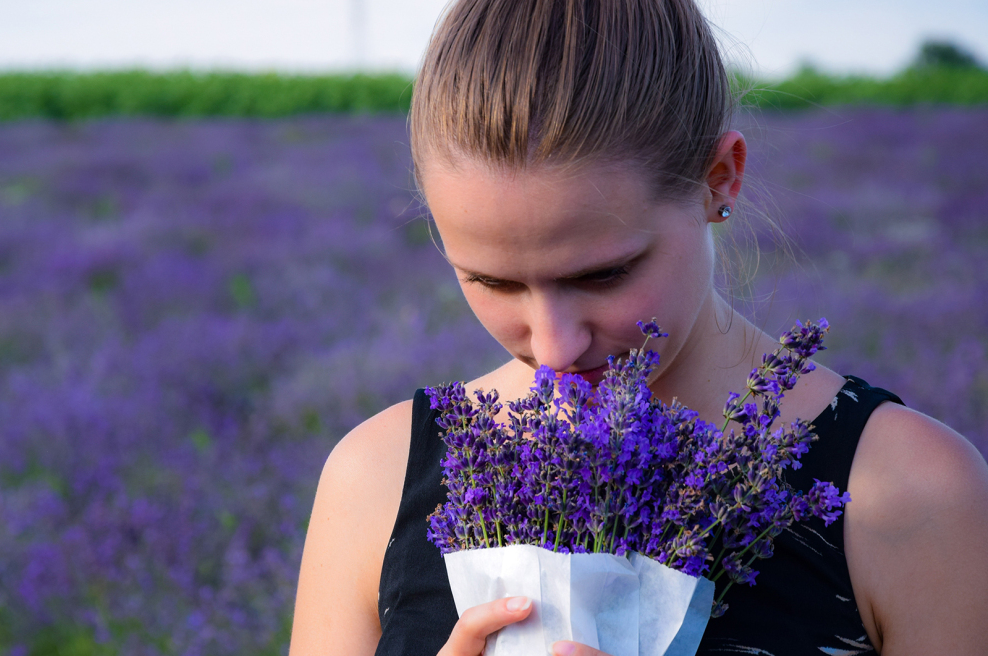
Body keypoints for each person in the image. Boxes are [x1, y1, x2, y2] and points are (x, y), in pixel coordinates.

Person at [288, 0, 988, 654]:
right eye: (494, 282)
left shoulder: (915, 495)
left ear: (720, 178)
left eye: (602, 275)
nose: (556, 348)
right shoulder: (375, 478)